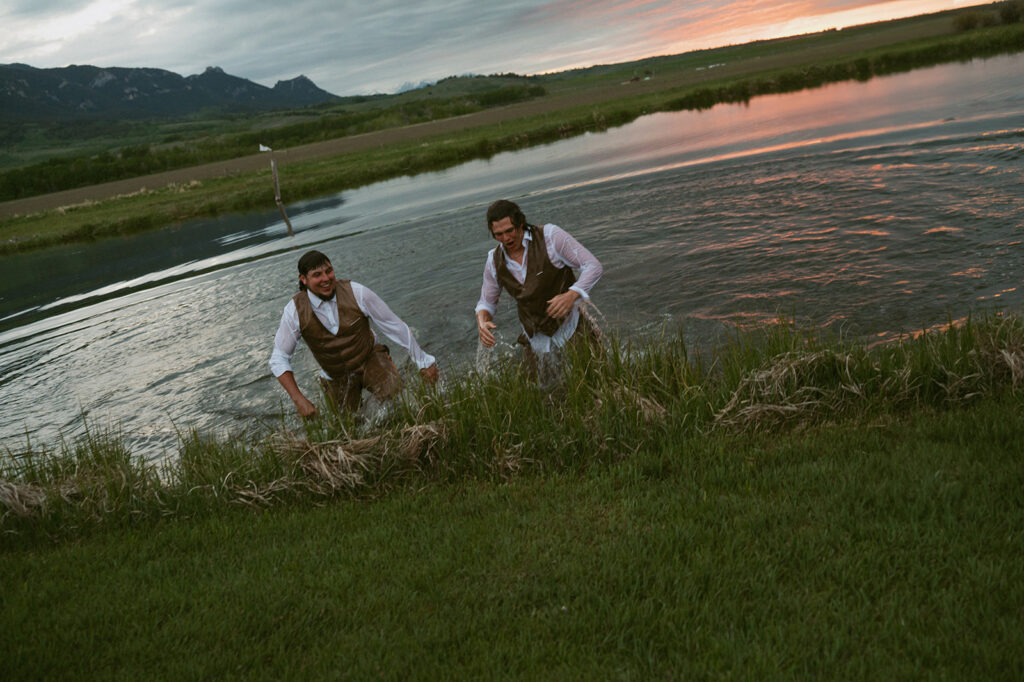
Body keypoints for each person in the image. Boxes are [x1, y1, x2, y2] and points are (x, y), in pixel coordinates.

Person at [270, 250, 439, 417]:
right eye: (317, 275)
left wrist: (423, 361)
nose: (326, 279)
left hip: (369, 359)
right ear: (303, 279)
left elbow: (394, 326)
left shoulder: (357, 292)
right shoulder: (294, 311)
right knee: (347, 428)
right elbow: (279, 358)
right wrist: (299, 399)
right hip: (335, 375)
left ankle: (389, 368)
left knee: (401, 401)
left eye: (329, 271)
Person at [474, 199, 603, 380]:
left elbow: (593, 266)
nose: (506, 238)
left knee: (598, 379)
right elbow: (486, 302)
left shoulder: (550, 237)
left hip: (572, 328)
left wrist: (571, 295)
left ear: (521, 224)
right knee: (542, 395)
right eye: (498, 234)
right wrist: (482, 323)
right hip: (534, 339)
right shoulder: (494, 261)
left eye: (509, 231)